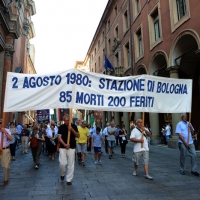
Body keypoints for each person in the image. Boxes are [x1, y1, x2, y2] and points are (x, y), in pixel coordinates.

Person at [58, 114, 80, 185]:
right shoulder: (61, 127)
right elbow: (59, 137)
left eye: (68, 120)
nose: (67, 122)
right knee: (62, 163)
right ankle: (62, 174)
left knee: (71, 164)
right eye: (66, 120)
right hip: (63, 147)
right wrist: (64, 144)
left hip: (72, 147)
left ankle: (69, 179)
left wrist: (72, 130)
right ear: (64, 120)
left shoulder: (74, 126)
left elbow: (78, 135)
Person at [0, 118, 12, 185]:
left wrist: (5, 132)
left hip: (5, 150)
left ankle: (6, 179)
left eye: (0, 123)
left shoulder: (7, 130)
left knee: (6, 166)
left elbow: (10, 138)